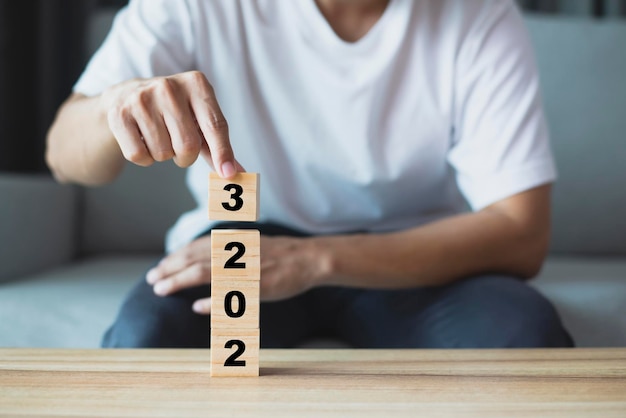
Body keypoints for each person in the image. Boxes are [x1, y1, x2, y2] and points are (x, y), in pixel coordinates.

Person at [46, 0, 573, 348]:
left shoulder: (479, 15)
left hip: (409, 253)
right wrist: (112, 107)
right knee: (147, 336)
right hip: (244, 244)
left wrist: (314, 259)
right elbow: (63, 155)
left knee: (526, 336)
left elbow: (521, 233)